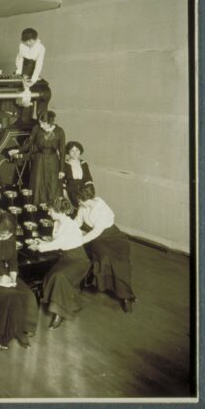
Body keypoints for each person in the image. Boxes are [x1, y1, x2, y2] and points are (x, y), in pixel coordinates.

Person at [0, 212, 39, 348]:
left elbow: (13, 262)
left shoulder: (10, 238)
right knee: (8, 295)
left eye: (8, 234)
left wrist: (12, 279)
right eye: (2, 234)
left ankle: (21, 329)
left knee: (27, 293)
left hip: (4, 274)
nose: (5, 237)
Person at [75, 183, 136, 313]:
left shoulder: (103, 210)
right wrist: (69, 231)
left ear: (87, 199)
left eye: (80, 200)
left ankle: (126, 297)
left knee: (119, 262)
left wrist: (80, 240)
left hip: (112, 237)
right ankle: (104, 284)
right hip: (97, 238)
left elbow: (95, 232)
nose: (78, 202)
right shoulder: (83, 207)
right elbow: (77, 222)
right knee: (103, 257)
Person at [30, 197, 89, 329]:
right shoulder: (57, 222)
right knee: (52, 274)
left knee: (60, 277)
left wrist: (39, 247)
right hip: (66, 258)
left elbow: (59, 243)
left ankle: (59, 314)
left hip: (78, 260)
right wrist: (43, 242)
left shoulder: (70, 225)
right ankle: (68, 303)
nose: (48, 213)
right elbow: (57, 241)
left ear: (57, 210)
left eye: (50, 210)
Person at [11, 110, 66, 206]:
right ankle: (36, 210)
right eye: (40, 122)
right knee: (37, 185)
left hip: (53, 162)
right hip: (39, 160)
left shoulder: (59, 131)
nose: (41, 125)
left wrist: (61, 170)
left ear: (50, 121)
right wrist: (18, 150)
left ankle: (52, 210)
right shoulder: (36, 128)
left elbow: (62, 151)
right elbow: (29, 144)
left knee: (52, 185)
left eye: (43, 123)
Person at [14, 28, 49, 120]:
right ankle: (22, 119)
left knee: (38, 92)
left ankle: (39, 119)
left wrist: (33, 80)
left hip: (33, 70)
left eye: (30, 41)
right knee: (20, 93)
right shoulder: (22, 45)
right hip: (23, 69)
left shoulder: (41, 48)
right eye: (26, 41)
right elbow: (19, 59)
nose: (28, 43)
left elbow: (39, 64)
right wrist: (19, 73)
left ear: (35, 39)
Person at [63, 141, 93, 209]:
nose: (75, 153)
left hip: (83, 193)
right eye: (72, 150)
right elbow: (62, 185)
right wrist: (67, 200)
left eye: (77, 150)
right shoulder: (65, 164)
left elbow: (88, 180)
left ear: (80, 151)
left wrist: (88, 197)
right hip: (70, 193)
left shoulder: (84, 164)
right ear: (68, 152)